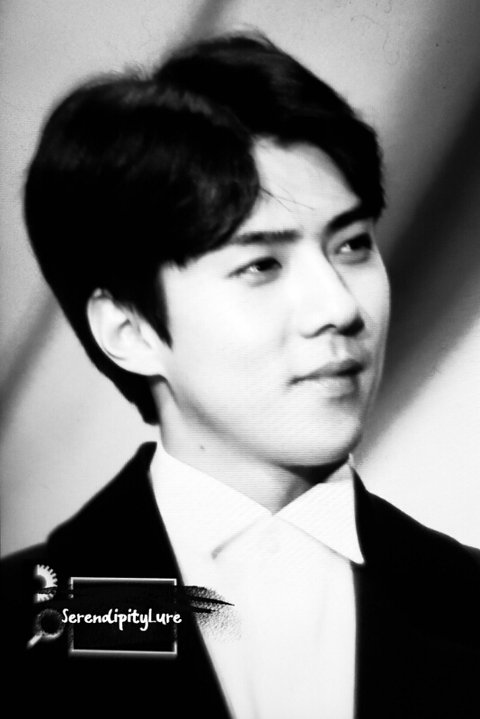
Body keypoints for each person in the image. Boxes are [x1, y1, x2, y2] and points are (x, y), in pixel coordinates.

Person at [2, 32, 480, 718]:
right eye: (261, 265)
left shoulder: (466, 600)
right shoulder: (26, 621)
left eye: (351, 245)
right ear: (129, 331)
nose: (339, 307)